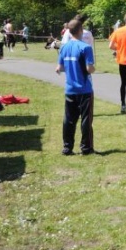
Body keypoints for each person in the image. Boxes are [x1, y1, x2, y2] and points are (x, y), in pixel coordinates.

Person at [56, 17, 96, 156]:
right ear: (80, 30)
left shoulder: (64, 47)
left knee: (69, 119)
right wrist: (92, 69)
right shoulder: (85, 47)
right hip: (84, 88)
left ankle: (67, 147)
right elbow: (89, 68)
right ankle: (86, 148)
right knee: (86, 119)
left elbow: (59, 68)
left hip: (70, 88)